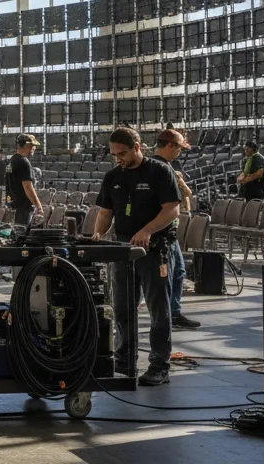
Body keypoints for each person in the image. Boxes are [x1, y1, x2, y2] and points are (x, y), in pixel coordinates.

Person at [92, 127, 182, 387]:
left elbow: (172, 210)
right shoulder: (112, 177)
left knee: (158, 309)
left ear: (137, 147)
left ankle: (159, 365)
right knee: (122, 308)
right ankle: (124, 358)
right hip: (122, 249)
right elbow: (106, 213)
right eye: (114, 154)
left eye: (122, 153)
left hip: (154, 250)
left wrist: (146, 231)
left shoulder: (159, 172)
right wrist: (97, 235)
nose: (118, 158)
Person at [152, 129, 201, 331]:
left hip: (170, 231)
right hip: (163, 232)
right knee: (168, 275)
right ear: (170, 146)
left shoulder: (164, 167)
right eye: (179, 149)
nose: (180, 153)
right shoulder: (160, 168)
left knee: (178, 272)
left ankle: (174, 312)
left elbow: (187, 193)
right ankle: (167, 316)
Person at [5, 135, 44, 228]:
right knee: (22, 235)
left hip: (12, 206)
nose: (34, 148)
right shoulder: (24, 162)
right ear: (27, 145)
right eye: (32, 146)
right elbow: (28, 188)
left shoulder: (11, 161)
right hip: (23, 208)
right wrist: (39, 207)